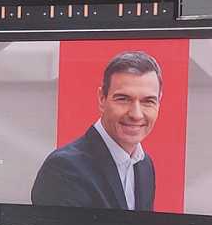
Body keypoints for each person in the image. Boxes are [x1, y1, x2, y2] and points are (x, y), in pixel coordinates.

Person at [30, 50, 160, 213]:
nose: (136, 114)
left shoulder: (144, 165)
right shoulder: (64, 169)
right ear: (102, 99)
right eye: (123, 99)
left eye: (148, 101)